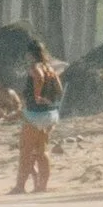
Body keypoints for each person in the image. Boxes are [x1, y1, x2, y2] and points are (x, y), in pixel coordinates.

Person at [14, 45, 62, 193]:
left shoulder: (35, 67)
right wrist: (48, 99)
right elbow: (59, 90)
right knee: (42, 152)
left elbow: (38, 77)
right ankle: (42, 186)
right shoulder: (50, 68)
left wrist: (36, 95)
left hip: (35, 115)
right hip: (50, 114)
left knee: (26, 152)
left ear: (31, 54)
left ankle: (20, 187)